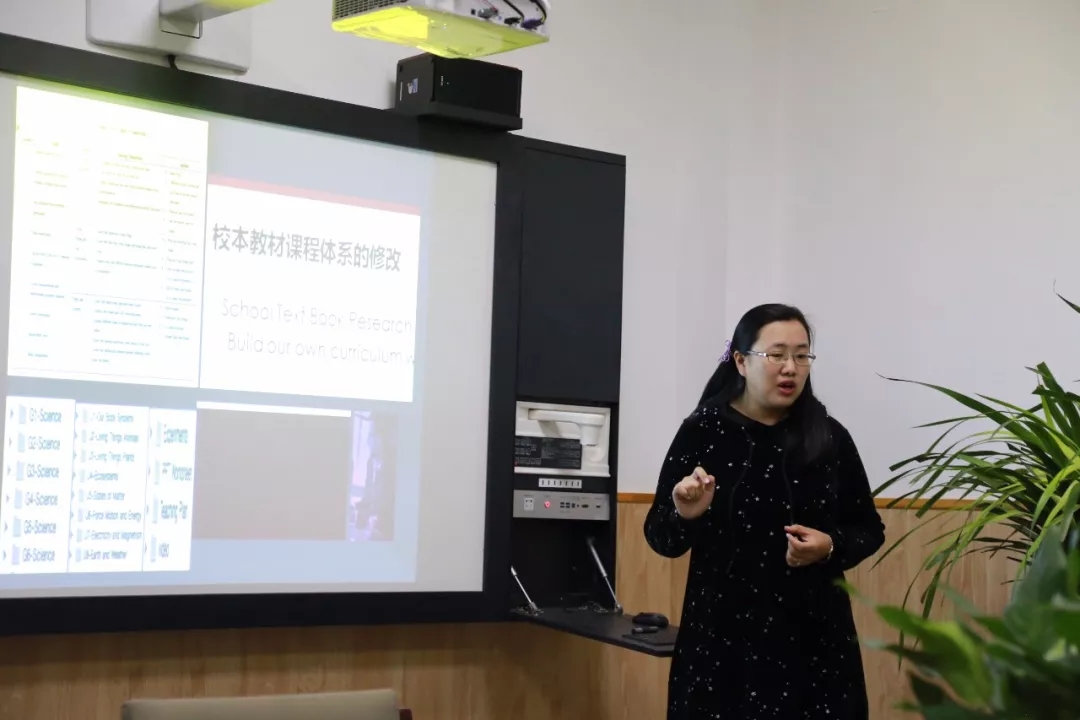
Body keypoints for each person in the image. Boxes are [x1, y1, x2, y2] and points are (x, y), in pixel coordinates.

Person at [644, 303, 885, 720]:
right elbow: (660, 537)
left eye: (802, 355)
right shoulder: (703, 431)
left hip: (816, 646)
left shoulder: (829, 436)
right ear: (741, 361)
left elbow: (869, 528)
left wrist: (830, 546)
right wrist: (685, 513)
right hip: (721, 647)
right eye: (776, 355)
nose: (790, 368)